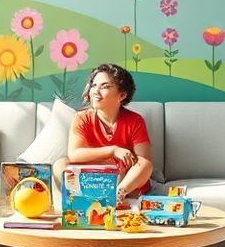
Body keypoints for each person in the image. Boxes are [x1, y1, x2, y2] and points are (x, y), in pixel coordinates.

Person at [53, 63, 153, 205]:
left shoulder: (135, 121)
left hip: (122, 179)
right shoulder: (82, 117)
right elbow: (74, 154)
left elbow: (145, 162)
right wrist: (113, 150)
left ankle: (117, 195)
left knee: (141, 166)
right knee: (59, 164)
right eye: (94, 85)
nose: (95, 91)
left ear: (122, 95)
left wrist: (122, 188)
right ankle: (80, 200)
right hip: (91, 179)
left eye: (105, 86)